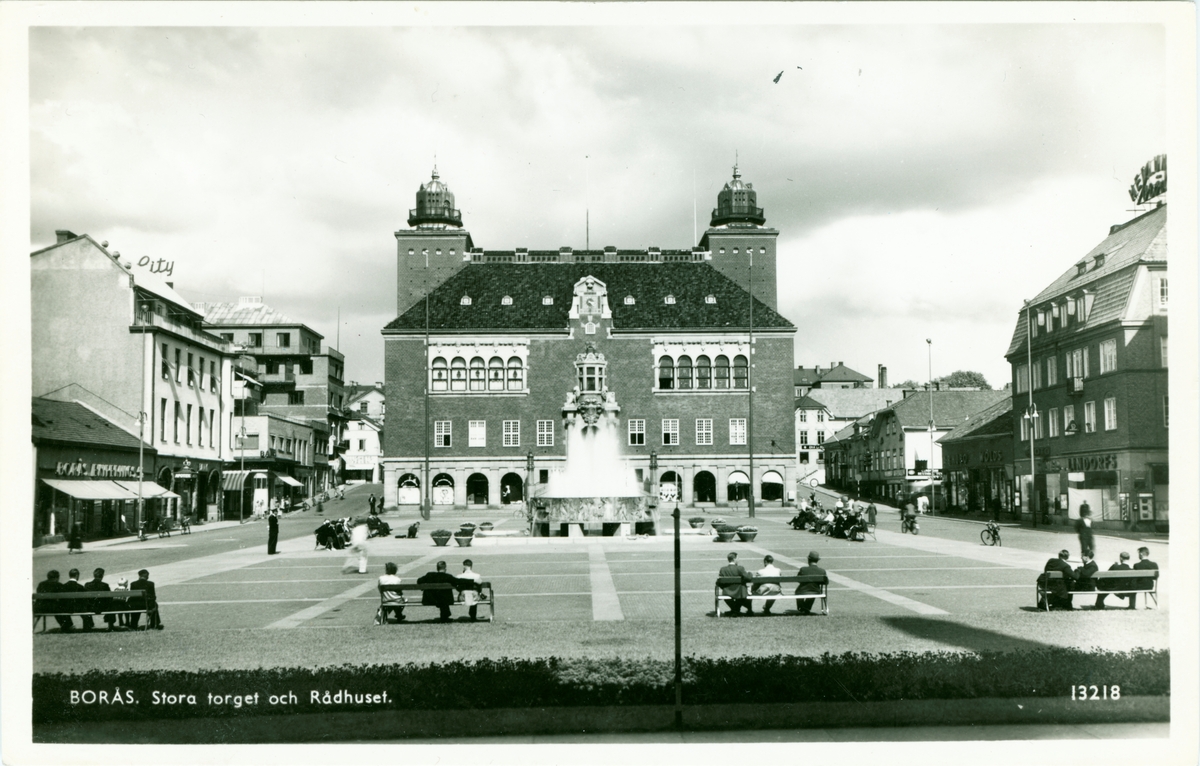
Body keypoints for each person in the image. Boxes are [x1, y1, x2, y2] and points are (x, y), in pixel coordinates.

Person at [718, 551, 753, 616]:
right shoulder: (740, 568)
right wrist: (750, 573)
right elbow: (748, 578)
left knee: (738, 596)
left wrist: (724, 588)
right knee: (745, 594)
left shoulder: (723, 569)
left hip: (727, 592)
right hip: (740, 592)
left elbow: (719, 582)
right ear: (734, 559)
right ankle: (736, 610)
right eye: (738, 558)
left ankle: (735, 610)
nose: (738, 559)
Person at [83, 567, 116, 631]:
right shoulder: (105, 585)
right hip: (102, 607)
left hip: (90, 607)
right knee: (111, 604)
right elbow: (110, 597)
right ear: (102, 576)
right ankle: (111, 626)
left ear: (94, 575)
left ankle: (88, 625)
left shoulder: (87, 585)